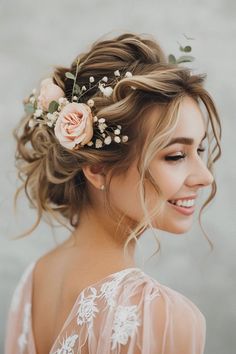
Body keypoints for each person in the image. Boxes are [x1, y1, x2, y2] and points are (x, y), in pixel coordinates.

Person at [4, 32, 221, 354]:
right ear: (98, 169)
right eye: (175, 155)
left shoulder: (34, 280)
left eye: (200, 149)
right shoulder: (162, 316)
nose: (205, 178)